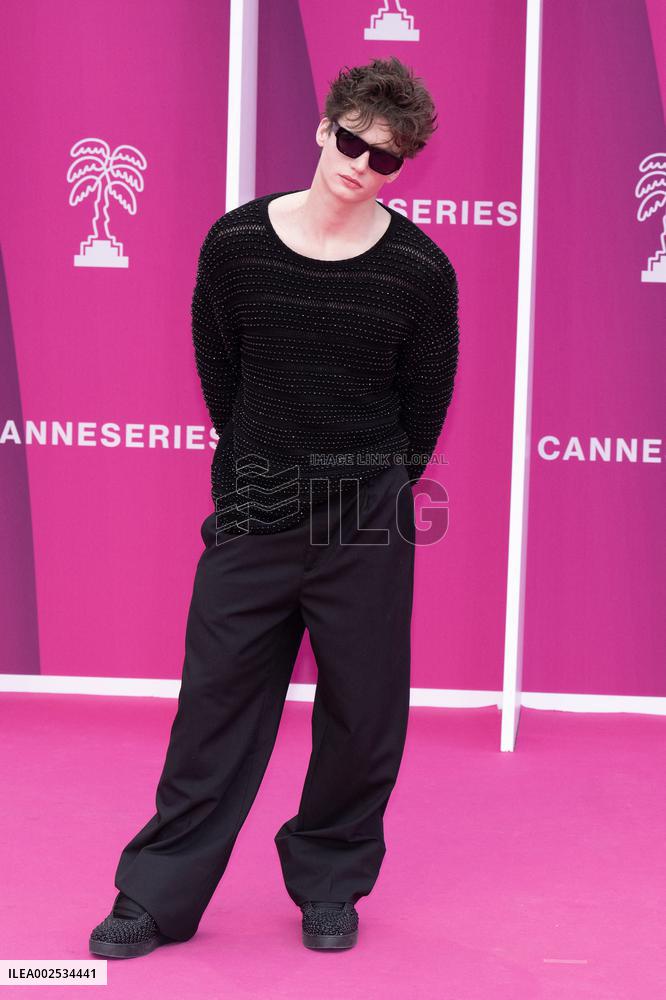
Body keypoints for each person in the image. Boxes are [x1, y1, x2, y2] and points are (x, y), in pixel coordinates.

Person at [89, 55, 459, 959]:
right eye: (351, 143)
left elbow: (425, 403)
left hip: (366, 512)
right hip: (256, 503)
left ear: (403, 167)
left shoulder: (420, 269)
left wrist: (369, 483)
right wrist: (262, 466)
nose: (361, 167)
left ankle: (332, 881)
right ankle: (155, 896)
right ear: (323, 126)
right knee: (213, 704)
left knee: (364, 715)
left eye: (385, 159)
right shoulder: (237, 244)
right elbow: (222, 370)